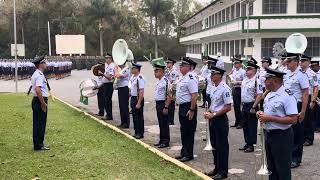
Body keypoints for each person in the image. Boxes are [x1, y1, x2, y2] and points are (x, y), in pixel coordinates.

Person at [257, 67, 298, 180]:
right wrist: (261, 114)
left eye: (266, 79)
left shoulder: (287, 96)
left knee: (282, 169)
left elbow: (293, 119)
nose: (264, 82)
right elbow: (269, 114)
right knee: (271, 168)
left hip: (282, 136)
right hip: (269, 134)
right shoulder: (270, 94)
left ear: (274, 80)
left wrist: (269, 118)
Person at [204, 66, 233, 180]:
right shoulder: (213, 87)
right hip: (213, 118)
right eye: (211, 74)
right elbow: (213, 104)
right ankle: (217, 168)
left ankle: (223, 171)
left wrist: (214, 114)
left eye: (214, 74)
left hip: (220, 119)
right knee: (214, 145)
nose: (211, 76)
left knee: (222, 146)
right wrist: (209, 112)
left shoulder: (225, 88)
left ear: (220, 75)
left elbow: (228, 107)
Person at [282, 53, 309, 169]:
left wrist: (303, 111)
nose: (286, 63)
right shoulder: (286, 73)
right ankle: (288, 156)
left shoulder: (301, 74)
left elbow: (305, 93)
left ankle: (296, 158)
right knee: (287, 131)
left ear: (295, 62)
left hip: (297, 105)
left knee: (297, 133)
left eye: (288, 61)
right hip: (286, 105)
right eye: (286, 61)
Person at [171, 57, 198, 162]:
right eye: (180, 66)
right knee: (183, 131)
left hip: (188, 107)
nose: (180, 67)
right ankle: (184, 152)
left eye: (182, 66)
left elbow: (194, 95)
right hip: (182, 106)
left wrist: (191, 110)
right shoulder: (183, 78)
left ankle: (188, 154)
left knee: (189, 131)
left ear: (188, 67)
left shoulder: (190, 78)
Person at [239, 62, 262, 153]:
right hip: (245, 104)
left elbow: (259, 95)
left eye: (248, 69)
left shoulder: (257, 81)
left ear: (254, 71)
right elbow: (243, 94)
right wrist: (241, 104)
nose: (246, 71)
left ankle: (251, 145)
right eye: (246, 69)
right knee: (245, 125)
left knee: (251, 125)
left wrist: (254, 106)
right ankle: (247, 142)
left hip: (252, 105)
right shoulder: (245, 80)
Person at [30, 56, 50, 151]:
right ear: (40, 64)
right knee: (40, 123)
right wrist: (43, 103)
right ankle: (39, 145)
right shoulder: (39, 75)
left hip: (37, 100)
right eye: (45, 62)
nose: (46, 64)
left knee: (38, 123)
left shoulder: (38, 74)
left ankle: (38, 144)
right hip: (39, 100)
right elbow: (38, 90)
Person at [300, 55, 318, 146]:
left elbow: (315, 88)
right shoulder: (299, 72)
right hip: (301, 97)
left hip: (309, 97)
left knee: (309, 119)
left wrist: (313, 100)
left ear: (308, 62)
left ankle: (309, 138)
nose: (301, 63)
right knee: (302, 119)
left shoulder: (312, 74)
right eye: (301, 61)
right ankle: (303, 137)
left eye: (303, 61)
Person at [153, 63, 170, 148]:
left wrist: (166, 107)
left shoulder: (166, 81)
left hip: (163, 103)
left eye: (156, 71)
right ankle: (161, 140)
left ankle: (166, 141)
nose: (155, 72)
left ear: (162, 71)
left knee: (164, 123)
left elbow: (169, 95)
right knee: (160, 123)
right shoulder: (158, 81)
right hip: (158, 103)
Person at [130, 62, 145, 139]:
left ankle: (140, 133)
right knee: (134, 116)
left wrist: (139, 103)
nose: (131, 69)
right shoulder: (133, 77)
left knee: (139, 116)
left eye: (133, 68)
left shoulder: (140, 78)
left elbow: (141, 91)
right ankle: (136, 131)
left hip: (138, 98)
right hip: (133, 98)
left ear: (137, 69)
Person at [230, 58, 245, 129]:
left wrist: (238, 82)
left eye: (236, 63)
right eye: (234, 63)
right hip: (234, 89)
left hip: (240, 89)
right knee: (235, 107)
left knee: (239, 107)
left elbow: (245, 82)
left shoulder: (243, 72)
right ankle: (237, 121)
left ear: (240, 64)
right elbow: (232, 79)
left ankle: (241, 123)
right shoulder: (234, 71)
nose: (235, 64)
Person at [99, 53, 115, 121]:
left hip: (109, 85)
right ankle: (108, 114)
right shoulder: (107, 66)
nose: (106, 59)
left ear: (111, 58)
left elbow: (110, 78)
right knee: (106, 100)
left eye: (107, 58)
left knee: (107, 100)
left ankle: (109, 115)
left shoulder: (112, 66)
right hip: (106, 85)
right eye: (105, 58)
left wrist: (102, 74)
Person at [114, 62, 130, 128]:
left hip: (124, 88)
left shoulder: (126, 69)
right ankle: (123, 122)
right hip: (120, 88)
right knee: (121, 106)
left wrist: (116, 69)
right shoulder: (121, 70)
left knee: (124, 106)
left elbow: (118, 76)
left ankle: (126, 123)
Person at [166, 58, 179, 125]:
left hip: (172, 89)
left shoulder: (173, 71)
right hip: (169, 88)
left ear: (171, 63)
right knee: (169, 104)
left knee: (171, 105)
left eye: (168, 63)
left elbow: (172, 80)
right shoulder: (169, 70)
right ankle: (169, 119)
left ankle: (171, 120)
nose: (167, 64)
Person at [310, 60, 320, 132]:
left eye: (314, 66)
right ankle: (314, 126)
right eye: (312, 66)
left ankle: (318, 126)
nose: (313, 67)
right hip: (312, 92)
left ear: (318, 66)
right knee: (312, 110)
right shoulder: (311, 73)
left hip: (319, 92)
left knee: (318, 111)